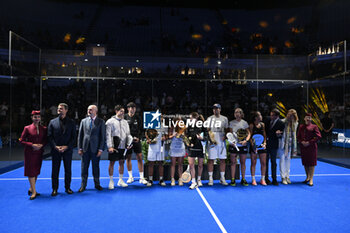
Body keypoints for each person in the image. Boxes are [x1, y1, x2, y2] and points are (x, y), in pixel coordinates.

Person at [48, 103, 76, 196]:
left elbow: (73, 137)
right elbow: (50, 137)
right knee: (55, 170)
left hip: (67, 150)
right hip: (56, 150)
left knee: (68, 170)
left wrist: (67, 147)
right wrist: (55, 146)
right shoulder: (52, 122)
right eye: (58, 108)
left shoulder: (71, 122)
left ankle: (67, 188)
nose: (59, 110)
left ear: (66, 110)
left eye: (61, 108)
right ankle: (54, 189)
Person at [19, 110, 47, 200]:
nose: (37, 119)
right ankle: (34, 192)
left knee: (36, 171)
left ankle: (31, 188)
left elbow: (45, 140)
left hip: (39, 153)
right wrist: (32, 145)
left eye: (38, 117)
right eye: (35, 117)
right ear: (32, 118)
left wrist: (41, 145)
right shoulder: (27, 128)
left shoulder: (44, 128)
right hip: (30, 153)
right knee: (31, 172)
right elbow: (21, 140)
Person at [77, 105, 106, 192]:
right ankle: (83, 185)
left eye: (90, 110)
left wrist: (101, 149)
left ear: (95, 111)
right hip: (85, 149)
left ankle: (97, 184)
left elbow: (102, 137)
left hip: (96, 149)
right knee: (84, 168)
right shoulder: (83, 121)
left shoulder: (101, 122)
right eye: (88, 109)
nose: (89, 111)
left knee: (96, 167)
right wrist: (79, 148)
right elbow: (80, 136)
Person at [106, 105, 131, 189]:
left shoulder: (125, 122)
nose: (123, 113)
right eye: (121, 111)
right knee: (112, 163)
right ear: (116, 111)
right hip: (114, 146)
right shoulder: (109, 122)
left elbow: (128, 134)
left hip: (123, 146)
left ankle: (120, 180)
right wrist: (110, 146)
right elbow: (108, 135)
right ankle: (111, 181)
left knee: (122, 162)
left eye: (123, 112)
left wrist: (128, 143)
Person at [124, 102, 147, 185]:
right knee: (128, 158)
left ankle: (141, 177)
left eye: (134, 108)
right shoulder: (124, 117)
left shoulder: (138, 117)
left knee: (140, 157)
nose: (132, 109)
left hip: (137, 140)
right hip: (127, 141)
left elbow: (141, 130)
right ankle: (130, 177)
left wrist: (139, 138)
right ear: (128, 109)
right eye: (131, 108)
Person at [206, 103, 229, 186]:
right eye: (214, 108)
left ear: (220, 109)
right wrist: (210, 139)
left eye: (217, 108)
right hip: (212, 141)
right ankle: (210, 178)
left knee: (222, 160)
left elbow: (227, 130)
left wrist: (225, 137)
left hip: (221, 141)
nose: (216, 110)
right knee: (211, 160)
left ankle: (222, 178)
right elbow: (208, 130)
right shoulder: (209, 118)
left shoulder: (224, 119)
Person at [297, 113, 322, 186]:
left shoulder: (314, 126)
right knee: (305, 163)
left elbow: (318, 136)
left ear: (311, 119)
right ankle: (307, 177)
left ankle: (311, 179)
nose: (308, 119)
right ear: (304, 119)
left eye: (309, 118)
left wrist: (309, 142)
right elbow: (298, 137)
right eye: (306, 117)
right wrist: (302, 142)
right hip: (303, 147)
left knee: (311, 163)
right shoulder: (301, 126)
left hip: (311, 147)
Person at [228, 108, 251, 187]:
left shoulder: (244, 123)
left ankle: (243, 179)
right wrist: (232, 142)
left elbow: (249, 133)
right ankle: (233, 179)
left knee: (243, 162)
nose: (237, 114)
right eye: (235, 112)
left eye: (238, 112)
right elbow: (230, 134)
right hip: (234, 145)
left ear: (241, 114)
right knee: (233, 162)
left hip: (242, 145)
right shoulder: (231, 123)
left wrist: (246, 141)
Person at [187, 112, 207, 189]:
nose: (190, 119)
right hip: (192, 147)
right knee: (191, 165)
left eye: (191, 118)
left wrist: (202, 138)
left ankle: (199, 179)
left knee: (200, 165)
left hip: (200, 147)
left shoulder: (202, 125)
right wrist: (188, 143)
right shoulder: (189, 126)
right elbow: (187, 136)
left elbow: (206, 136)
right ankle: (193, 181)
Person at [265, 109, 285, 185]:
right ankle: (266, 178)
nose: (271, 116)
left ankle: (274, 179)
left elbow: (281, 134)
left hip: (274, 144)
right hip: (266, 144)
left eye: (273, 115)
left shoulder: (281, 123)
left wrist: (279, 134)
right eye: (271, 115)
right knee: (265, 161)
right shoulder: (267, 121)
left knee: (273, 161)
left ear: (277, 116)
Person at [279, 109, 298, 185]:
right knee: (282, 160)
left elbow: (294, 134)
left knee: (288, 160)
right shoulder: (282, 121)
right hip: (282, 143)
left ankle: (287, 176)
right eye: (290, 115)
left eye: (292, 115)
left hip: (291, 143)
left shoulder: (296, 123)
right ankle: (283, 177)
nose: (291, 116)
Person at [249, 111, 267, 186]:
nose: (261, 116)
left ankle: (262, 179)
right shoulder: (251, 125)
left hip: (262, 146)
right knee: (253, 163)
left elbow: (264, 135)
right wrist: (253, 146)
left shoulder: (262, 125)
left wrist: (265, 143)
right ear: (256, 117)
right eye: (260, 115)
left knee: (263, 163)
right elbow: (249, 136)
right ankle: (253, 179)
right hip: (254, 146)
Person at [168, 117, 186, 186]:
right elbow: (169, 136)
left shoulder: (183, 128)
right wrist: (174, 135)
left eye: (181, 121)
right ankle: (172, 179)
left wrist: (183, 136)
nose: (180, 122)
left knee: (180, 164)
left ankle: (180, 179)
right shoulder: (172, 128)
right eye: (179, 121)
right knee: (173, 164)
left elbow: (185, 138)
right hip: (174, 147)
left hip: (181, 147)